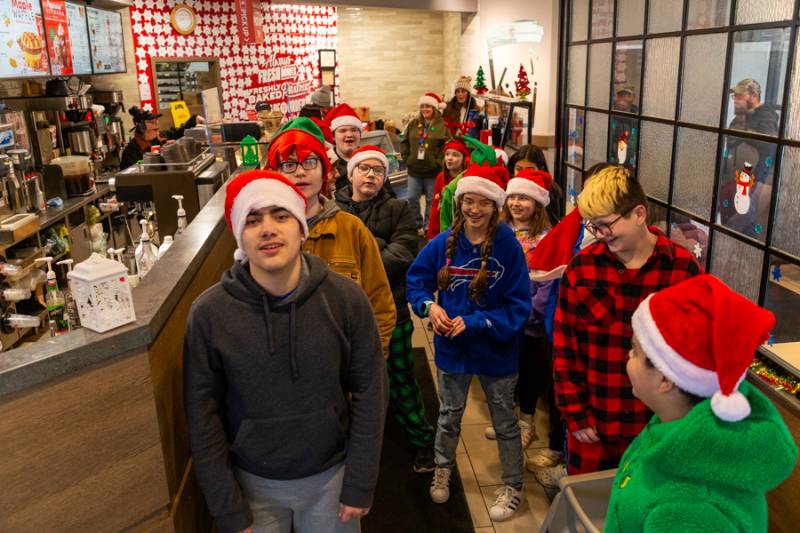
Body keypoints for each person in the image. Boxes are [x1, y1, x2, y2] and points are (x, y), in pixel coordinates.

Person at [184, 170, 388, 533]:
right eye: (252, 219)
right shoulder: (209, 314)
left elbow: (372, 392)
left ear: (301, 228)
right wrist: (226, 505)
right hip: (252, 485)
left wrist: (360, 482)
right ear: (239, 236)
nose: (267, 229)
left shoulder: (346, 300)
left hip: (332, 479)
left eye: (281, 216)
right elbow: (203, 418)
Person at [604, 274, 797, 532]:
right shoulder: (674, 425)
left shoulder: (692, 510)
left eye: (635, 351)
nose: (628, 357)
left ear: (664, 379)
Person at [552, 164, 702, 480]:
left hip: (658, 427)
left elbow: (696, 353)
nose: (599, 235)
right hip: (593, 426)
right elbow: (565, 347)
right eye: (592, 227)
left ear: (638, 214)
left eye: (606, 225)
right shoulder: (582, 269)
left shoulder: (682, 269)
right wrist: (575, 414)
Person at [407, 159, 531, 522]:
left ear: (496, 205)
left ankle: (513, 485)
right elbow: (416, 281)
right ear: (459, 203)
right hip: (453, 351)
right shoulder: (444, 243)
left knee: (505, 421)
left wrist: (475, 322)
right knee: (448, 415)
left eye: (483, 202)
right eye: (468, 201)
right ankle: (443, 466)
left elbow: (518, 306)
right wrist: (429, 306)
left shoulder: (508, 247)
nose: (475, 209)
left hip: (496, 350)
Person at [334, 145, 437, 474]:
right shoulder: (332, 209)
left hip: (390, 309)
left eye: (377, 170)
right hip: (341, 315)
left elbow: (405, 252)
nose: (370, 175)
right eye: (363, 169)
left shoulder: (399, 208)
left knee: (402, 379)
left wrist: (357, 262)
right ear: (350, 174)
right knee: (341, 383)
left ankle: (422, 442)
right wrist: (378, 247)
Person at [267, 117, 397, 355]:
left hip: (342, 373)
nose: (300, 172)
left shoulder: (352, 229)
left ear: (324, 170)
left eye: (310, 162)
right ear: (275, 172)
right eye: (289, 164)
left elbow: (380, 306)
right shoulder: (262, 235)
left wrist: (368, 370)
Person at [400, 92, 450, 235]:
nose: (425, 109)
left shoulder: (442, 125)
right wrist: (406, 158)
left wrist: (439, 162)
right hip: (414, 169)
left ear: (434, 108)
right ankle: (417, 224)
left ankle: (428, 225)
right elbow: (404, 141)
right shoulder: (414, 124)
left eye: (428, 106)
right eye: (422, 106)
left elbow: (448, 146)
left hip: (433, 171)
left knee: (431, 200)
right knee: (411, 197)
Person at [438, 137, 509, 235]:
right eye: (468, 201)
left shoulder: (507, 238)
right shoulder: (453, 189)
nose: (475, 209)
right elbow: (445, 223)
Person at [120, 106, 204, 169]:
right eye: (151, 122)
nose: (156, 124)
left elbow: (178, 132)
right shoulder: (130, 152)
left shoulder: (160, 137)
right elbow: (128, 178)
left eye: (156, 121)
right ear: (141, 127)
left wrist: (194, 120)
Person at [507, 144, 563, 226]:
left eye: (530, 169)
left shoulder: (551, 192)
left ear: (541, 169)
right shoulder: (508, 187)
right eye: (518, 169)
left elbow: (553, 223)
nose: (524, 173)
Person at [426, 137, 469, 240]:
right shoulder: (440, 177)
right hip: (442, 226)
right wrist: (431, 231)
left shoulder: (466, 179)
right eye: (447, 154)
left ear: (464, 158)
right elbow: (435, 205)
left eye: (455, 155)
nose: (449, 158)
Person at [324, 103, 364, 191]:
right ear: (333, 137)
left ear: (360, 135)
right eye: (343, 131)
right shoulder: (327, 165)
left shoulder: (370, 159)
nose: (349, 135)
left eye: (354, 130)